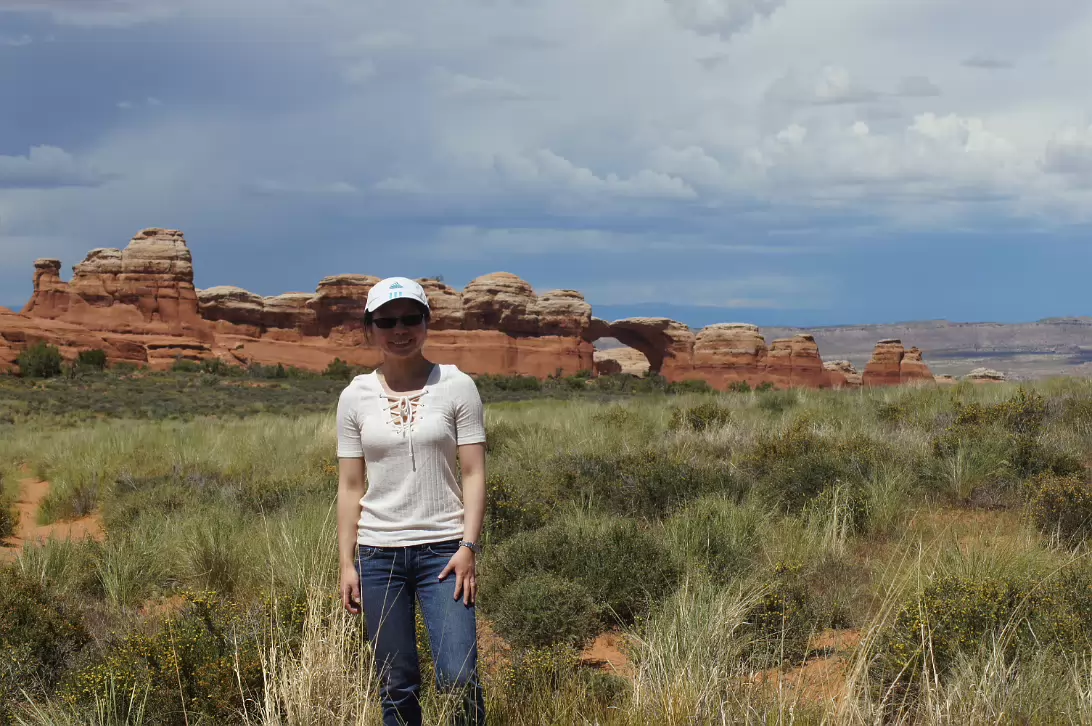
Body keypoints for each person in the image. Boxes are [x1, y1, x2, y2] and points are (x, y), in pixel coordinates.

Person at [336, 276, 487, 726]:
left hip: (445, 552)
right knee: (396, 681)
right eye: (386, 321)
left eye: (410, 319)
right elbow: (349, 485)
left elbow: (475, 472)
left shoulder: (457, 385)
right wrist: (347, 562)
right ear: (369, 329)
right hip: (379, 556)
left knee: (459, 676)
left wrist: (469, 547)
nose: (399, 330)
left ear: (426, 322)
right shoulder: (354, 396)